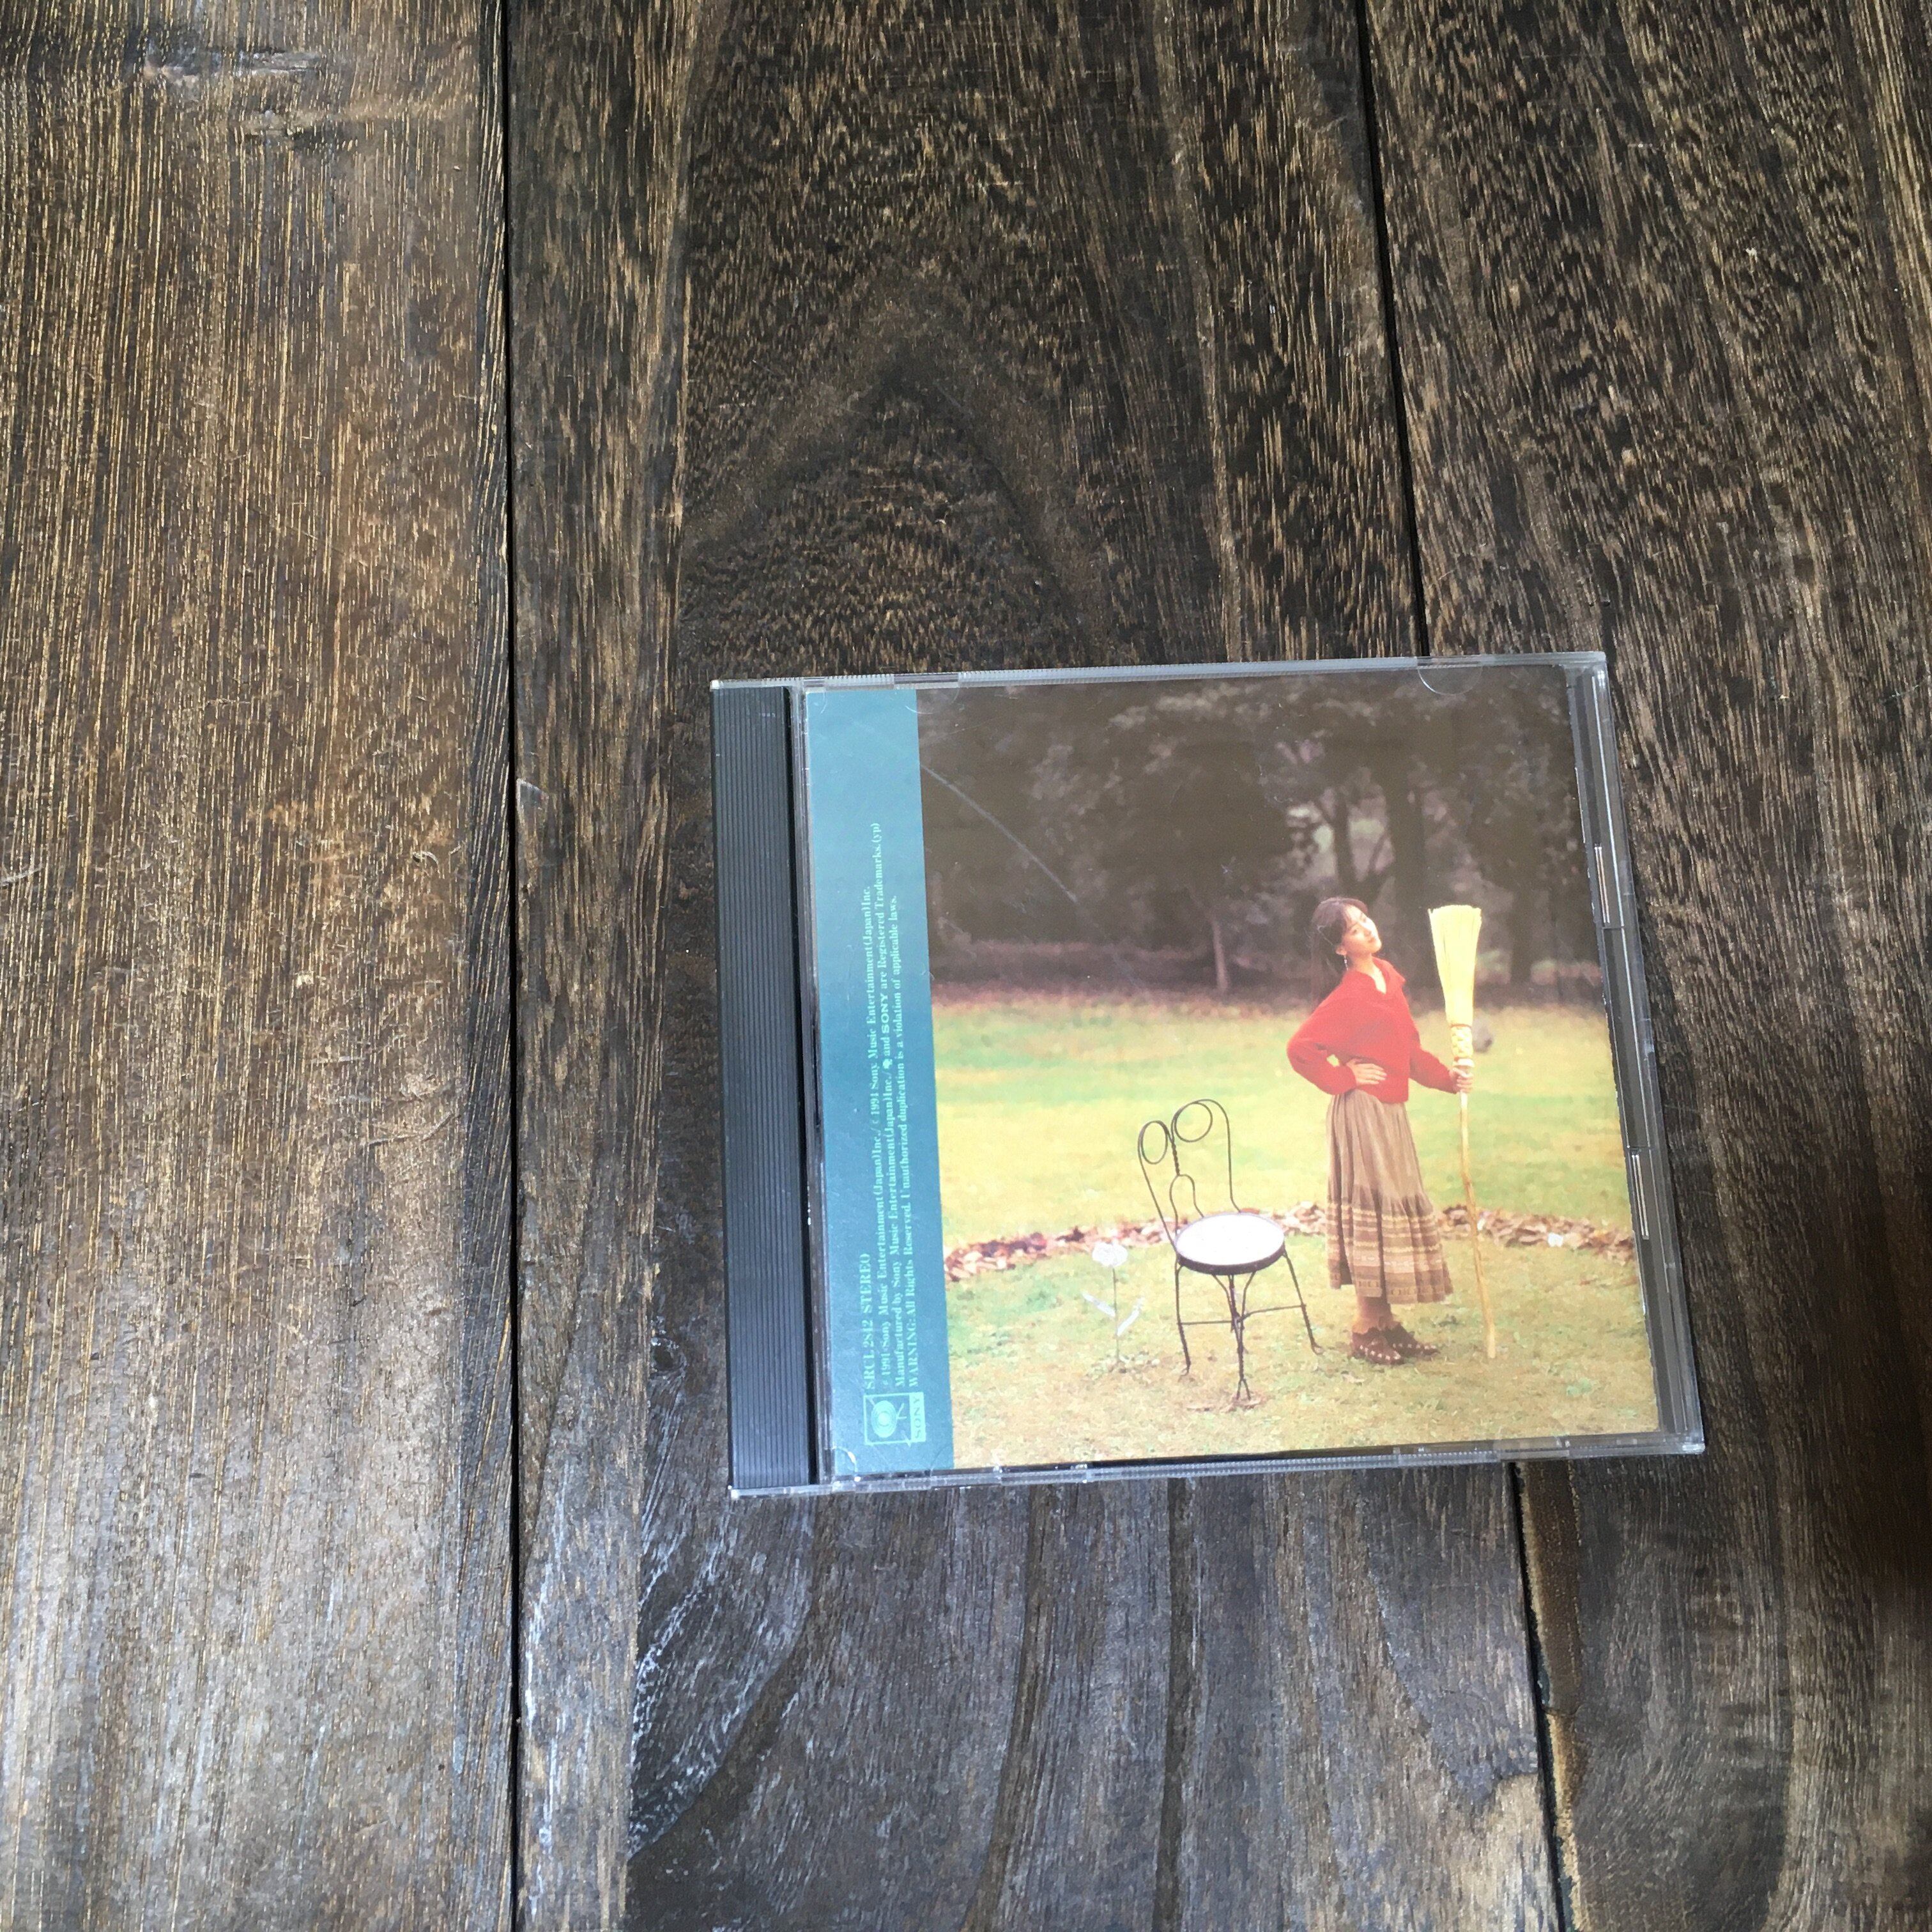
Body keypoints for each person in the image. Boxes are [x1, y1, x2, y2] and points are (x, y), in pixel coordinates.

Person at [1287, 898, 1471, 1365]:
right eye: (1354, 929)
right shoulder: (1348, 995)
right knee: (1374, 1209)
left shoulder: (1388, 980)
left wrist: (1449, 1080)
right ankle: (1365, 1326)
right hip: (1363, 1115)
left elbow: (1409, 1052)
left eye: (1365, 920)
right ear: (1340, 948)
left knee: (1392, 1208)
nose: (1367, 929)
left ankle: (1386, 1322)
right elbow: (1300, 1048)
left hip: (1390, 1114)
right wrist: (1344, 1077)